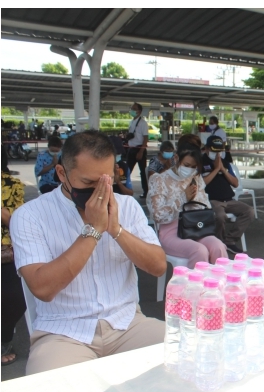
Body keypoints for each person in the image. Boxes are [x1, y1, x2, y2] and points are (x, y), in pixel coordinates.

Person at [10, 131, 166, 374]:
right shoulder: (30, 216)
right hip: (63, 332)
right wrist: (93, 230)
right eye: (88, 184)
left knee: (185, 357)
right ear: (62, 174)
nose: (100, 192)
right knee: (45, 391)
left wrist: (116, 230)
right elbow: (42, 288)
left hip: (127, 323)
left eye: (106, 181)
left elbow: (158, 267)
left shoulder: (126, 206)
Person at [147, 145, 227, 267]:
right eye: (186, 165)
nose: (190, 169)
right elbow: (157, 215)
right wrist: (183, 198)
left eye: (194, 166)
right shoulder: (159, 180)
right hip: (171, 232)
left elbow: (206, 207)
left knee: (218, 247)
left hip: (195, 228)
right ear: (176, 158)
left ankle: (220, 283)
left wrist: (195, 199)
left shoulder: (195, 176)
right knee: (199, 250)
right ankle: (195, 285)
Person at [201, 134, 254, 252]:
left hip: (229, 200)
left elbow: (235, 184)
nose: (217, 154)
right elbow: (201, 183)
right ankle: (219, 242)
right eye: (214, 151)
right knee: (220, 216)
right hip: (212, 200)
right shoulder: (200, 162)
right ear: (207, 148)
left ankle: (229, 240)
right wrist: (215, 170)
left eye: (219, 151)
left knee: (249, 211)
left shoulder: (225, 164)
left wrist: (223, 170)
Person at [1, 145, 26, 367]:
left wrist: (3, 213)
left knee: (14, 298)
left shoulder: (11, 185)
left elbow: (18, 226)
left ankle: (5, 338)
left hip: (6, 252)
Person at [126, 103, 148, 199]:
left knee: (143, 172)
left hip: (139, 149)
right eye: (131, 108)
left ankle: (146, 192)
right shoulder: (131, 122)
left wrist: (141, 152)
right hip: (131, 148)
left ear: (139, 111)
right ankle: (124, 189)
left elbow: (145, 138)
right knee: (127, 171)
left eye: (134, 109)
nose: (132, 110)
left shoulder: (143, 123)